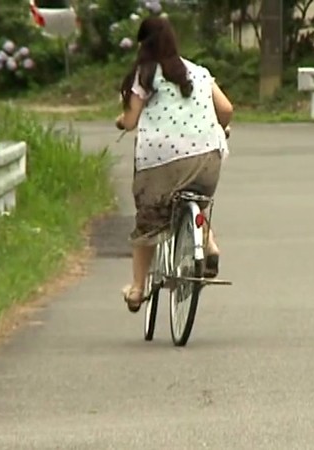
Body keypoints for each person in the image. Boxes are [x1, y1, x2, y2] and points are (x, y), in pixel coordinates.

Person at [115, 16, 234, 313]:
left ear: (143, 44)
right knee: (194, 197)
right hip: (207, 159)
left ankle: (137, 289)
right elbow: (226, 109)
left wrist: (121, 121)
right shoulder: (199, 72)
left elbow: (130, 121)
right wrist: (220, 128)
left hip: (161, 164)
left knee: (148, 223)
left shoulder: (145, 74)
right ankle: (208, 244)